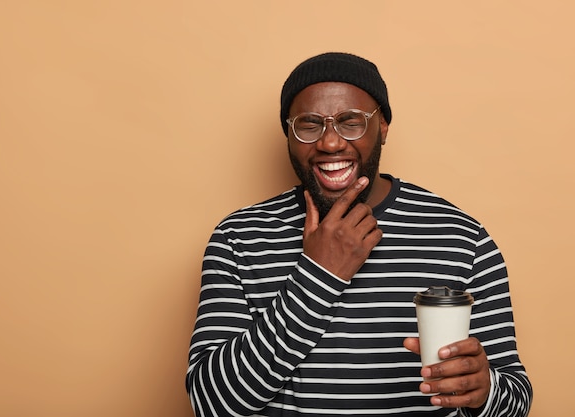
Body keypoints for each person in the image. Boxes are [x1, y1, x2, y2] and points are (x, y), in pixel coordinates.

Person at [186, 52, 532, 417]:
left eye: (351, 122)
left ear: (382, 126)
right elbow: (211, 404)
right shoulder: (239, 238)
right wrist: (318, 275)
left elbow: (515, 401)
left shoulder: (462, 238)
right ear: (288, 132)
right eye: (308, 124)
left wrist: (484, 392)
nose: (330, 144)